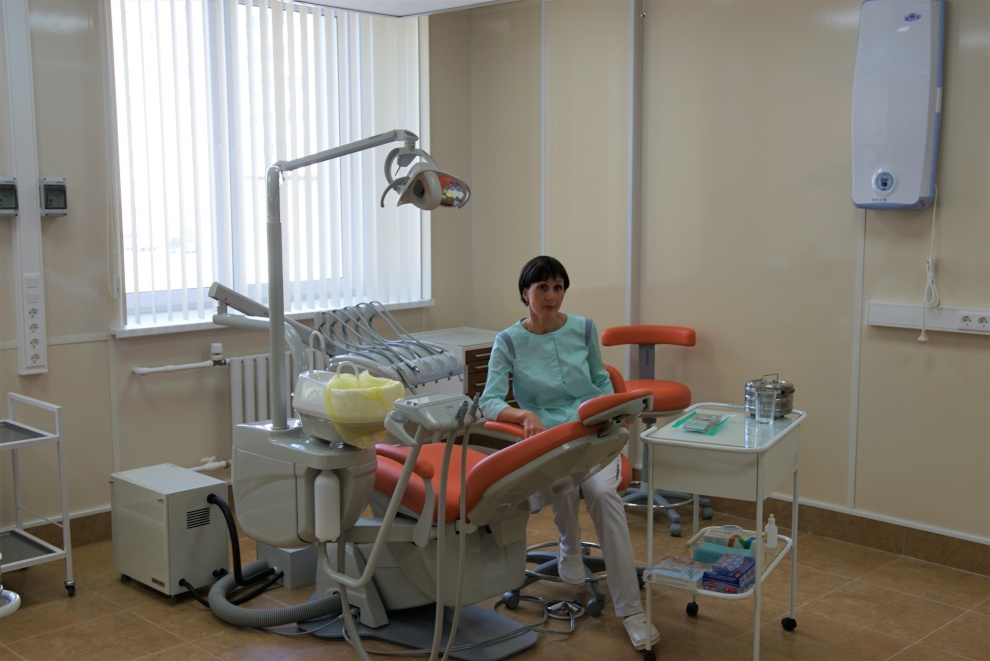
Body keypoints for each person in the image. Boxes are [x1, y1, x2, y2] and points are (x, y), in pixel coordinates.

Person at [479, 255, 660, 651]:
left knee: (601, 493)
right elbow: (488, 401)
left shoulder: (584, 329)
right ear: (524, 293)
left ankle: (631, 611)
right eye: (542, 287)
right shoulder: (508, 341)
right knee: (560, 475)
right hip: (550, 439)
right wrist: (523, 414)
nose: (551, 296)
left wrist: (613, 414)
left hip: (594, 432)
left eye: (558, 287)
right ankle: (569, 545)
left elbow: (601, 381)